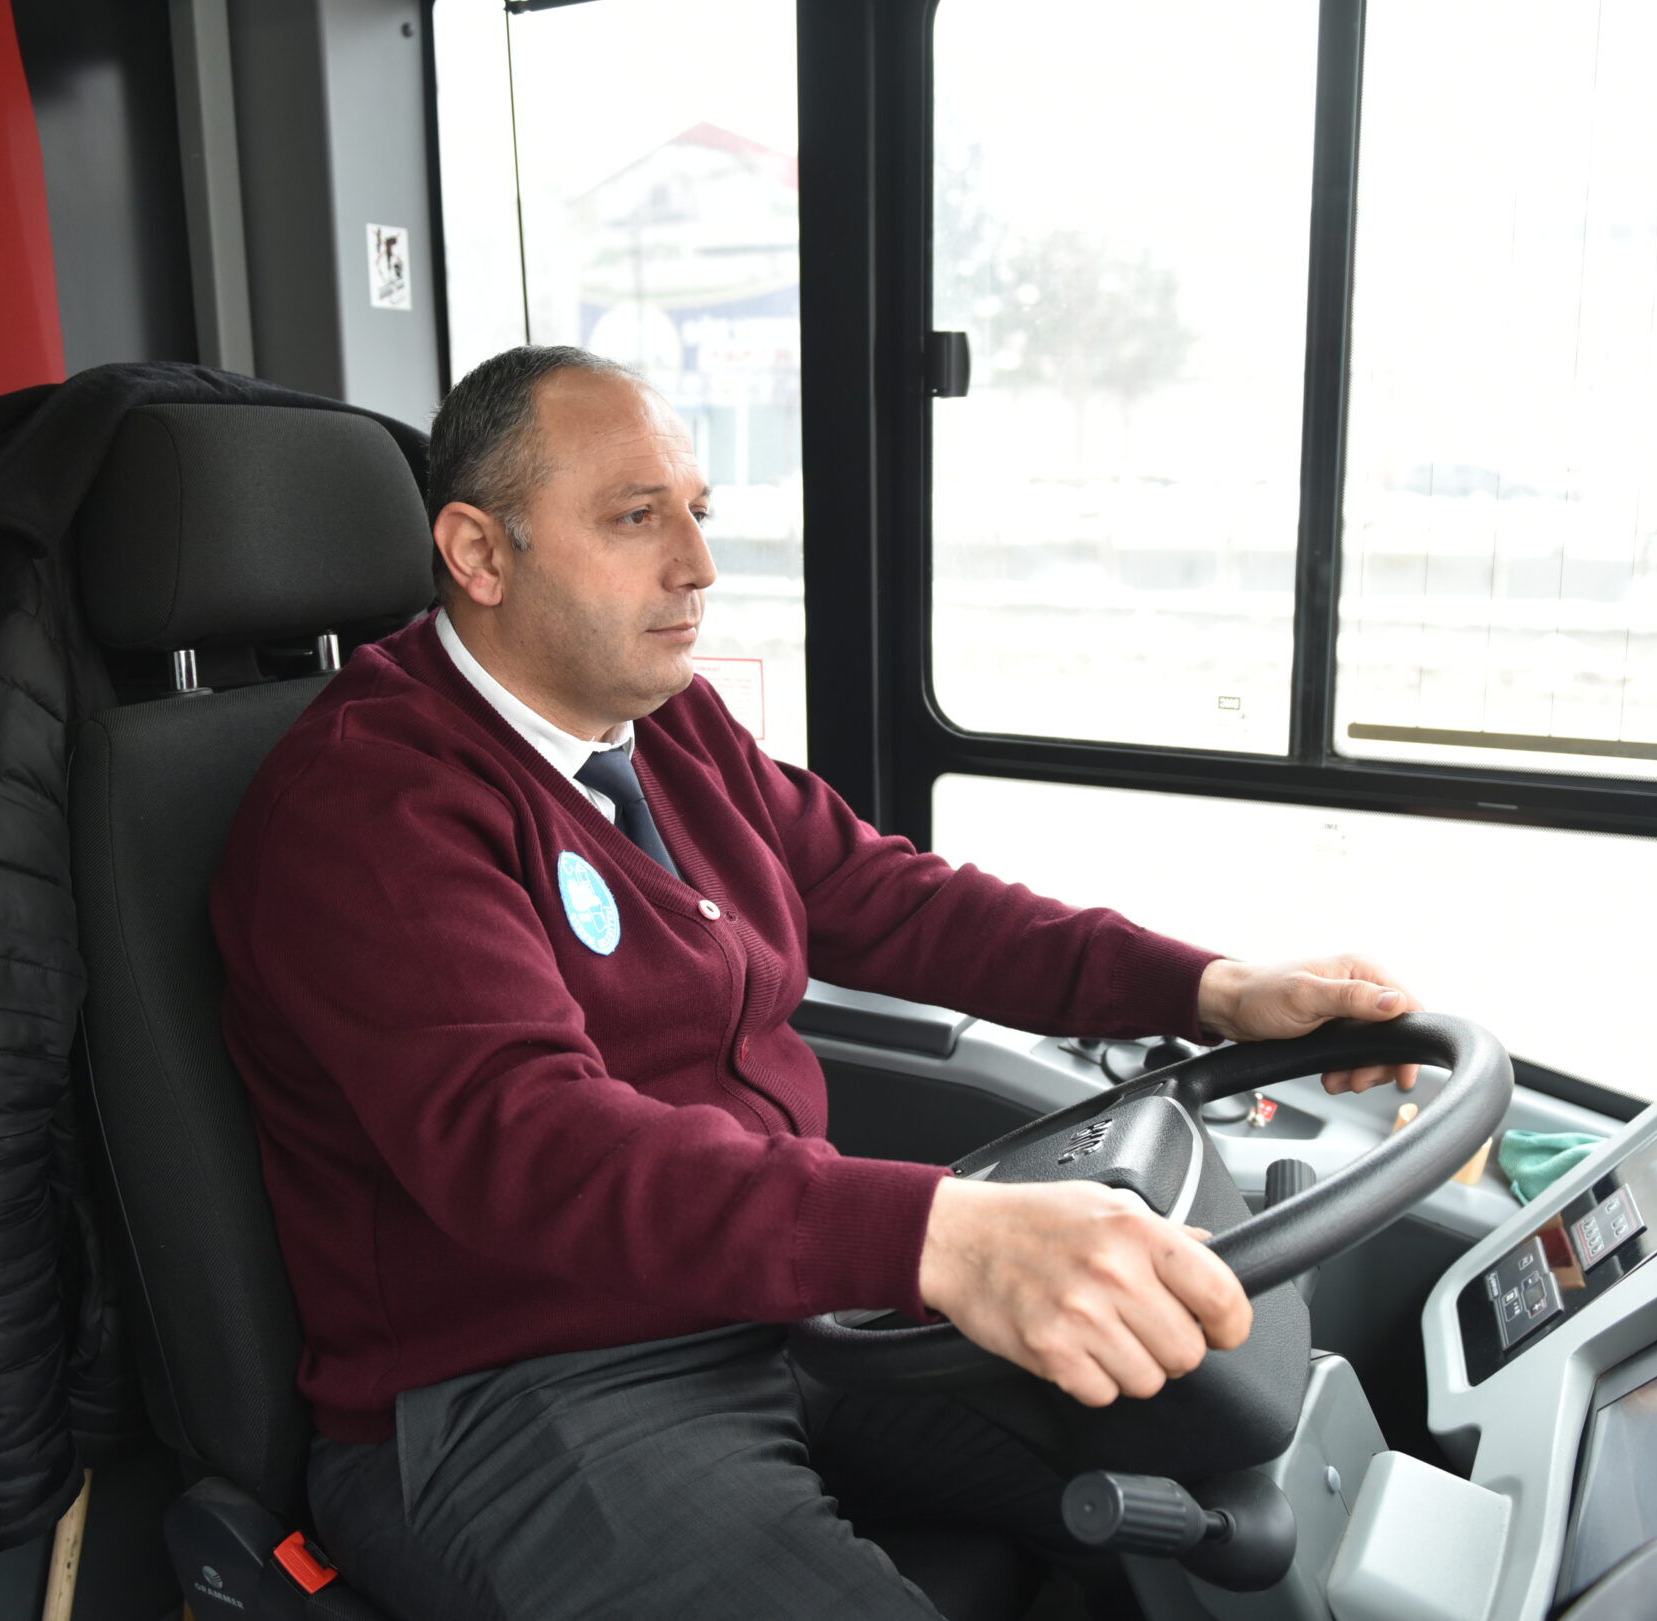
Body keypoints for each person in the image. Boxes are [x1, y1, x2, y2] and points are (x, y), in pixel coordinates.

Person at [211, 345, 1423, 1620]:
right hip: (528, 1385)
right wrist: (941, 1235)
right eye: (635, 518)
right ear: (479, 552)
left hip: (772, 1304)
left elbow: (889, 897)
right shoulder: (370, 803)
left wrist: (1211, 989)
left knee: (1207, 1465)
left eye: (696, 512)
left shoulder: (659, 720)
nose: (698, 564)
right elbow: (535, 1142)